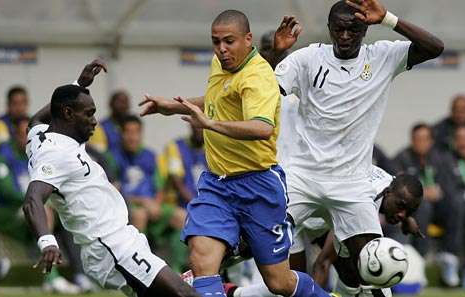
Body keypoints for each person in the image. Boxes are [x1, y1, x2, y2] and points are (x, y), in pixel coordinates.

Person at [140, 9, 333, 297]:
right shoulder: (221, 64)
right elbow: (219, 99)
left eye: (228, 41)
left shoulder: (258, 77)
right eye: (216, 41)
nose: (221, 49)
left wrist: (210, 123)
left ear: (247, 39)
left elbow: (261, 127)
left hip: (259, 186)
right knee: (202, 259)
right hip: (217, 184)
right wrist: (173, 105)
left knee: (279, 282)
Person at [271, 0, 443, 295]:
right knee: (261, 251)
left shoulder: (383, 56)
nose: (346, 36)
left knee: (371, 266)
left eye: (354, 29)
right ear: (329, 29)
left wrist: (388, 19)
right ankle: (209, 282)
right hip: (301, 177)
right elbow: (263, 92)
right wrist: (275, 53)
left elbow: (434, 47)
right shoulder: (307, 59)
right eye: (339, 29)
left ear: (366, 29)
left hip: (352, 184)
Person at [22, 60, 200, 297]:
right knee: (183, 292)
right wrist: (47, 241)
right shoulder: (55, 155)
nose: (95, 120)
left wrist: (79, 84)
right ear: (67, 113)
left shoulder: (38, 134)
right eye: (89, 114)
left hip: (117, 239)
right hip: (111, 245)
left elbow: (38, 118)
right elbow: (32, 199)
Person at [226, 166, 424, 297]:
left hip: (324, 213)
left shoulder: (393, 186)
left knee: (352, 275)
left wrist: (407, 219)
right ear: (389, 193)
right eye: (401, 207)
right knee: (288, 281)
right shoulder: (362, 205)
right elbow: (323, 262)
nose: (401, 214)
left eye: (408, 211)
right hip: (304, 209)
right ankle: (226, 286)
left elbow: (401, 201)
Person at [0, 116, 91, 294]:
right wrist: (38, 200)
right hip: (2, 211)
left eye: (30, 134)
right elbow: (6, 190)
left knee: (64, 213)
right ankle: (52, 278)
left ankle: (80, 274)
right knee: (43, 212)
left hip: (26, 208)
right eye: (22, 134)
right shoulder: (4, 154)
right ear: (14, 135)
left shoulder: (38, 153)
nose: (27, 139)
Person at [110, 115, 187, 270]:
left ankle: (177, 270)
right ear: (121, 134)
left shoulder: (150, 155)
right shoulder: (112, 157)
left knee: (182, 217)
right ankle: (140, 271)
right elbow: (112, 192)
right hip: (127, 208)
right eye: (128, 132)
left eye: (136, 132)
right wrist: (143, 202)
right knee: (140, 215)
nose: (133, 137)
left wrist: (156, 204)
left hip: (152, 206)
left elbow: (160, 187)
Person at [393, 123, 459, 287]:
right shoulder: (402, 158)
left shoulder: (441, 159)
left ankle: (451, 258)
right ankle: (420, 261)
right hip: (415, 209)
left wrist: (440, 191)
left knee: (458, 204)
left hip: (441, 207)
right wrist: (422, 193)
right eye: (417, 139)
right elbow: (398, 185)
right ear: (412, 140)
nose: (420, 142)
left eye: (424, 139)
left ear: (431, 141)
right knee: (424, 207)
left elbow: (451, 185)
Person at [441, 124, 465, 289]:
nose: (463, 143)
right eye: (459, 139)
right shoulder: (446, 160)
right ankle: (451, 260)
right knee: (458, 204)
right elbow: (447, 190)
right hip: (450, 209)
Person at [164, 124, 206, 207]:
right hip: (182, 204)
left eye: (203, 126)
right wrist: (196, 203)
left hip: (207, 203)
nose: (199, 129)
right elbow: (176, 181)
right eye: (197, 125)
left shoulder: (212, 148)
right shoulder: (176, 146)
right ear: (190, 124)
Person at [0, 86, 29, 150]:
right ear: (8, 104)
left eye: (23, 103)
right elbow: (4, 149)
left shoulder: (33, 122)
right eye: (15, 103)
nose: (19, 108)